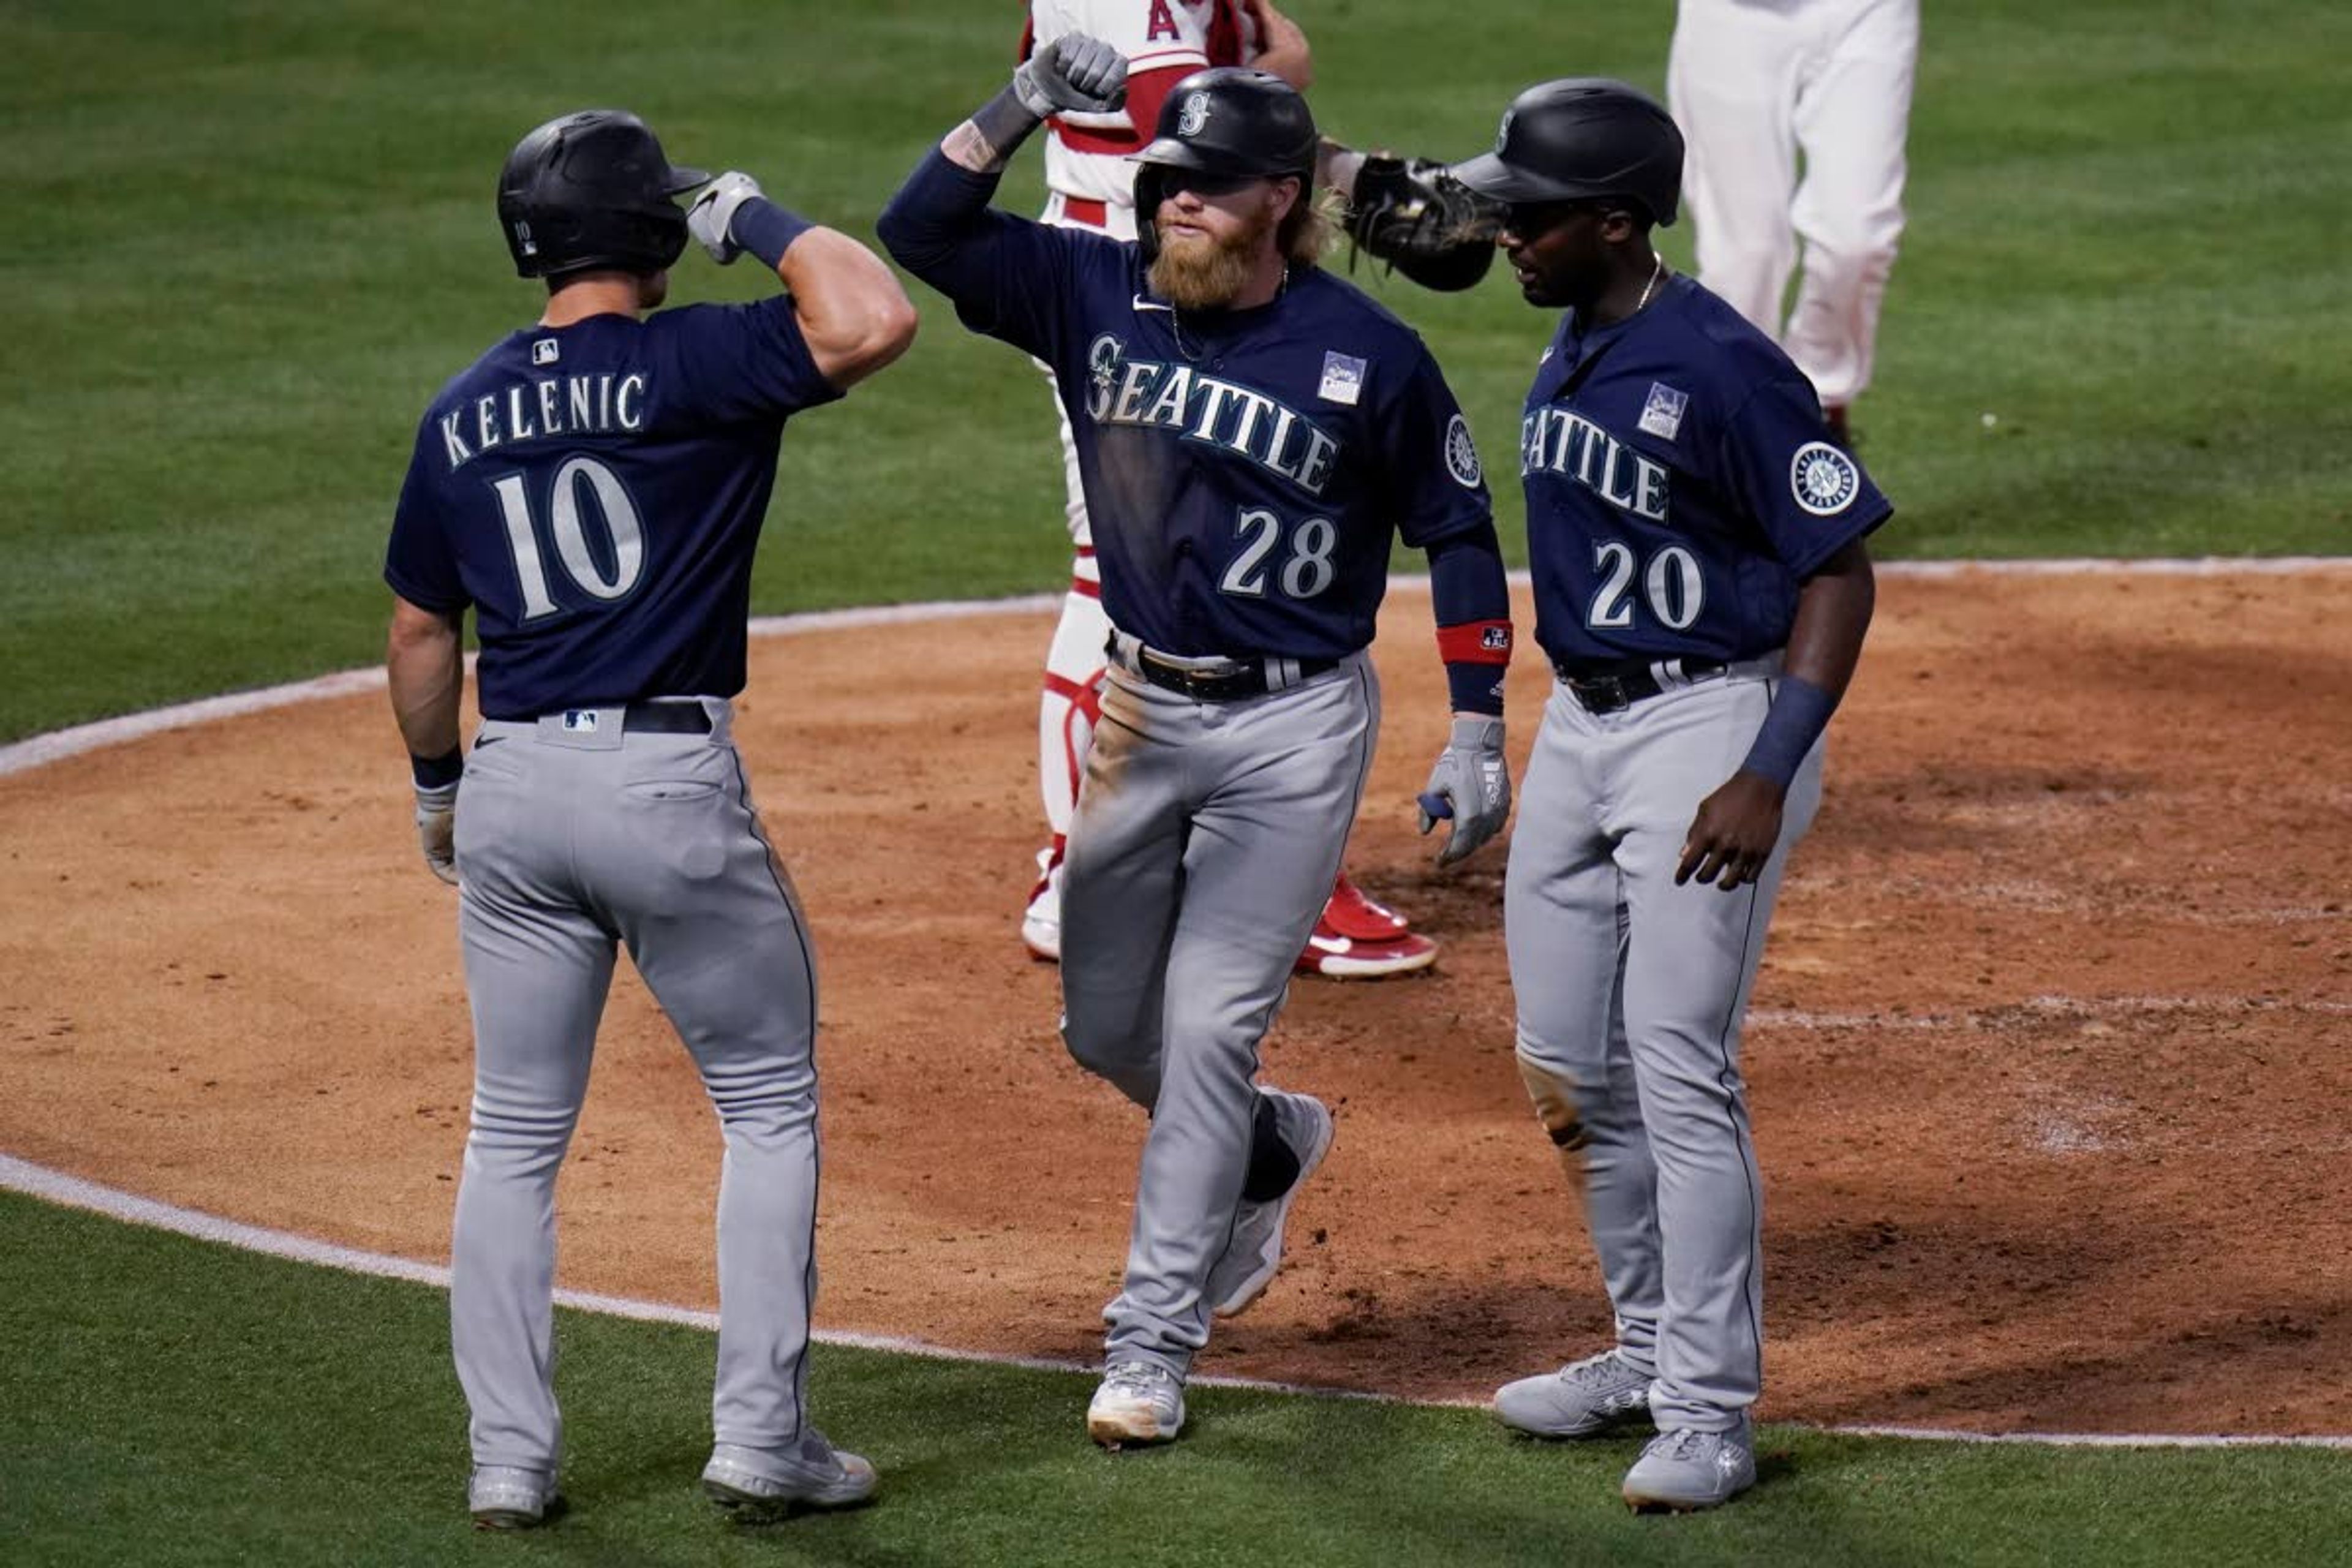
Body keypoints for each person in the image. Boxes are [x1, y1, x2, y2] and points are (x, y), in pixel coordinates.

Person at [879, 45, 1515, 1446]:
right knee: (1106, 1028)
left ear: (1280, 203)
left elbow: (1458, 532)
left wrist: (1476, 718)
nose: (1172, 209)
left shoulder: (1370, 357)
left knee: (1212, 1026)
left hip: (1292, 728)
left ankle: (1150, 1346)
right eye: (1162, 185)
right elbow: (916, 230)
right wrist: (1025, 104)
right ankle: (1268, 1144)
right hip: (1138, 715)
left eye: (1204, 194)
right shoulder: (1086, 290)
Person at [382, 108, 916, 1529]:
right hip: (662, 782)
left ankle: (508, 1459)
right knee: (766, 1106)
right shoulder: (695, 357)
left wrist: (439, 789)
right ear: (648, 227)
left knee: (509, 1135)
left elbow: (422, 635)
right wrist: (747, 213)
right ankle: (761, 1438)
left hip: (510, 790)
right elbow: (872, 315)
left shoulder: (459, 404)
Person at [1446, 80, 1884, 1510]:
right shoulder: (1577, 333)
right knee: (1566, 1059)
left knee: (1678, 1063)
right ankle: (1640, 1344)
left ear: (1615, 223)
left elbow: (1837, 564)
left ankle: (1709, 1408)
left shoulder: (1723, 367)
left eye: (1529, 215)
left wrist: (1766, 766)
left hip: (1711, 722)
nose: (1505, 232)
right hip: (1581, 724)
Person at [1016, 1, 1440, 981]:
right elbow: (1188, 111)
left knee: (1226, 532)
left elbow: (1262, 57)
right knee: (1116, 563)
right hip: (1131, 280)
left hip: (1198, 269)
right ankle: (1076, 864)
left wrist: (1279, 70)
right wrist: (1348, 175)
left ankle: (1227, 862)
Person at [1667, 0, 1918, 446]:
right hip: (1733, 17)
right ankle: (1742, 435)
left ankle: (1816, 409)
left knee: (1856, 238)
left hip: (1867, 11)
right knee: (1746, 256)